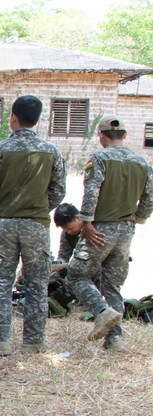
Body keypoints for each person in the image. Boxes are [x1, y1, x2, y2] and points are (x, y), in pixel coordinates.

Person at [0, 95, 66, 357]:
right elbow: (59, 191)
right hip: (36, 225)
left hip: (5, 223)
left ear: (13, 117)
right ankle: (34, 343)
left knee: (2, 282)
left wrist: (0, 211)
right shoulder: (51, 151)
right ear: (37, 119)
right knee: (37, 283)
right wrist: (38, 209)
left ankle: (0, 342)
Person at [68, 115, 153, 351]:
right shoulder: (143, 162)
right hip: (126, 230)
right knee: (113, 285)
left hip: (100, 229)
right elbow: (149, 197)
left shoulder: (99, 158)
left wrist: (86, 222)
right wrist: (137, 218)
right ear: (125, 136)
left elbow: (92, 191)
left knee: (76, 273)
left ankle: (103, 312)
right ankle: (114, 339)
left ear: (101, 136)